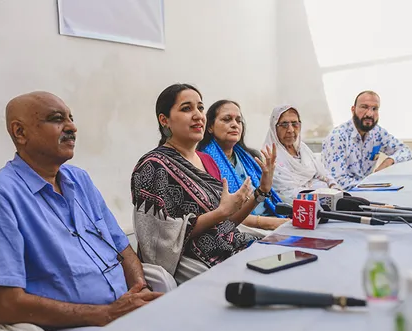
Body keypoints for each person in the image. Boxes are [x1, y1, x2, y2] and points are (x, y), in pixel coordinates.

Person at [0, 91, 162, 331]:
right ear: (20, 132)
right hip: (72, 329)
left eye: (71, 118)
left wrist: (139, 288)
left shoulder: (79, 179)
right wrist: (104, 314)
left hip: (121, 313)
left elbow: (121, 246)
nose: (72, 127)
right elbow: (7, 305)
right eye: (56, 118)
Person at [131, 84, 277, 276]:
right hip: (199, 265)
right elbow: (161, 241)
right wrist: (221, 212)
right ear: (164, 120)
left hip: (234, 245)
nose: (198, 115)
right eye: (186, 108)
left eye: (200, 108)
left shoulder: (205, 161)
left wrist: (261, 192)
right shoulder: (153, 166)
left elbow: (226, 222)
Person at [197, 99, 289, 230]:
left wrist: (265, 189)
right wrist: (270, 223)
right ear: (210, 127)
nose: (235, 125)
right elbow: (219, 215)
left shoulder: (251, 157)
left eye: (238, 120)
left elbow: (263, 197)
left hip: (268, 219)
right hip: (237, 229)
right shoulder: (202, 161)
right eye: (227, 119)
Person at [321, 91, 412, 190]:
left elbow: (406, 151)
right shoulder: (338, 137)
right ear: (353, 110)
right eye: (364, 107)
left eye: (374, 109)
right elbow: (338, 182)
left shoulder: (377, 132)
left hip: (367, 191)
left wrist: (389, 161)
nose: (370, 114)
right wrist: (375, 185)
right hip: (342, 197)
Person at [264, 104, 338, 203]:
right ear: (274, 128)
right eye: (284, 125)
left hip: (325, 200)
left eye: (295, 123)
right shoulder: (269, 156)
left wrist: (333, 186)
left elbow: (322, 172)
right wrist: (321, 194)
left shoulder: (303, 149)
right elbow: (284, 193)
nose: (290, 130)